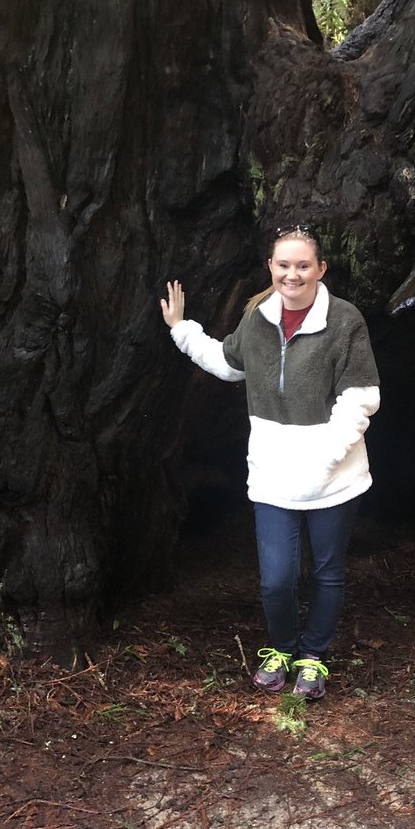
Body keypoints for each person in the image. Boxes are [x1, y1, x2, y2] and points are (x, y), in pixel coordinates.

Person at [160, 227, 380, 700]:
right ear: (271, 268)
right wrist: (182, 329)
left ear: (321, 270)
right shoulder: (258, 320)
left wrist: (323, 460)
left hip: (332, 477)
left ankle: (312, 658)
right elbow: (227, 362)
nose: (292, 274)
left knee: (326, 571)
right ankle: (282, 648)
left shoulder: (345, 321)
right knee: (277, 577)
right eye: (284, 265)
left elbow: (361, 398)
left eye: (303, 265)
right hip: (273, 476)